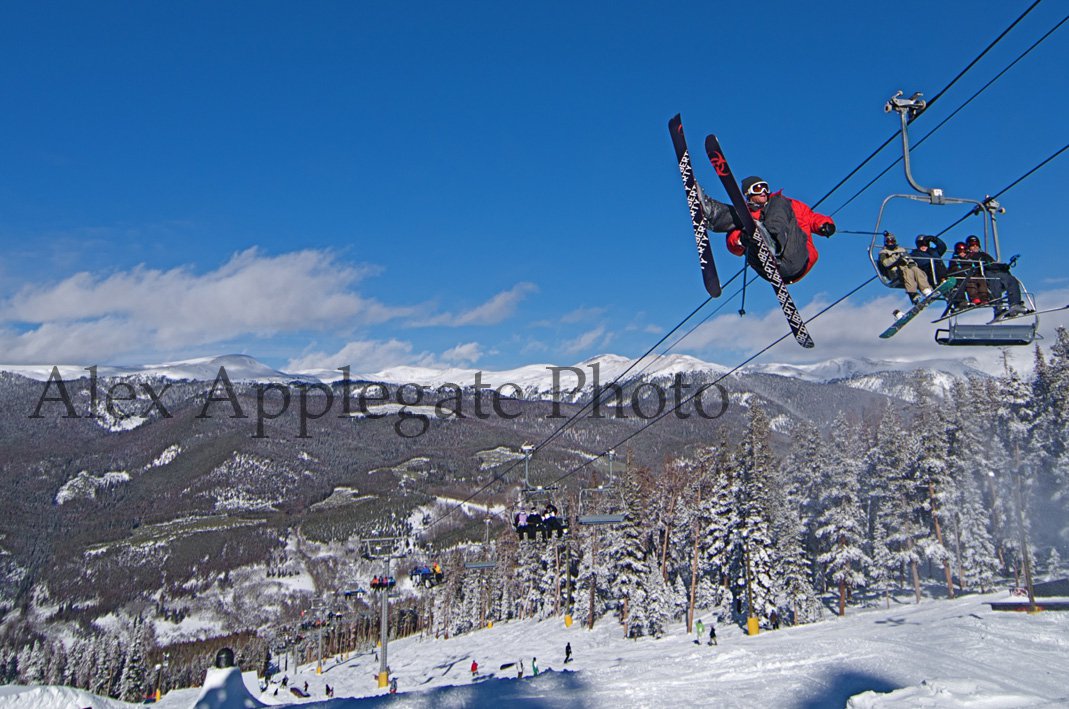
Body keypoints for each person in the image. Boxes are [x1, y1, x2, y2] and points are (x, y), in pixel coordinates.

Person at [699, 176, 835, 284]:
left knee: (778, 201)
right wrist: (742, 240)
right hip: (769, 268)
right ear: (749, 193)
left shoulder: (785, 204)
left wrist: (825, 225)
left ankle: (772, 241)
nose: (763, 192)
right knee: (743, 218)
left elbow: (811, 218)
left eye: (765, 187)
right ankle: (710, 212)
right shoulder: (747, 218)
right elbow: (732, 245)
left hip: (796, 258)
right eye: (758, 188)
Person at [964, 235, 1031, 319]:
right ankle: (998, 307)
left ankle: (1015, 304)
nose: (975, 247)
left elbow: (992, 264)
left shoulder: (983, 255)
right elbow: (984, 266)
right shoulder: (969, 257)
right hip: (985, 275)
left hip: (995, 272)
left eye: (976, 245)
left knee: (1011, 279)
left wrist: (1003, 267)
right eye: (972, 245)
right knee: (995, 280)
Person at [879, 232, 932, 303]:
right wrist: (896, 258)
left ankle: (926, 289)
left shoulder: (901, 250)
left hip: (905, 267)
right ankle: (912, 293)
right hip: (895, 271)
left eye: (892, 241)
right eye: (889, 242)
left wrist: (911, 263)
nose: (891, 243)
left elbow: (909, 258)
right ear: (886, 243)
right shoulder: (884, 252)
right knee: (907, 271)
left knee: (915, 269)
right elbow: (885, 263)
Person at [948, 241, 989, 307]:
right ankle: (974, 298)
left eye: (964, 251)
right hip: (964, 276)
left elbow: (976, 266)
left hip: (973, 273)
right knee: (970, 281)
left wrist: (975, 271)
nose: (962, 253)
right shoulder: (955, 260)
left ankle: (984, 297)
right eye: (960, 251)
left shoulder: (970, 258)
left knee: (981, 279)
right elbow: (953, 269)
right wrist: (963, 272)